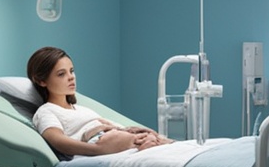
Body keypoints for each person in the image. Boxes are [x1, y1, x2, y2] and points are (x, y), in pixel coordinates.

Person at [26, 46, 172, 157]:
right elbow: (59, 142)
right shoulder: (46, 111)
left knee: (155, 139)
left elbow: (110, 125)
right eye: (61, 74)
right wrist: (98, 150)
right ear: (41, 80)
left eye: (72, 71)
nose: (71, 77)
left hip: (116, 137)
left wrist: (134, 133)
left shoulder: (82, 109)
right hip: (99, 141)